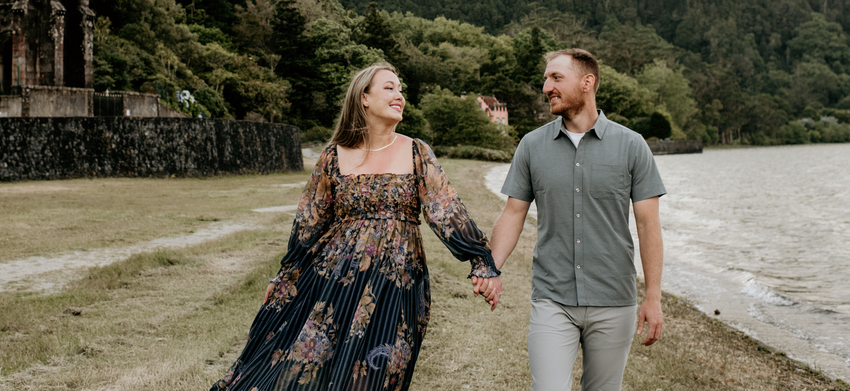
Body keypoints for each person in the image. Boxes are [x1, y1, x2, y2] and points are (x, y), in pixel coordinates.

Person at [211, 62, 501, 391]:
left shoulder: (416, 151)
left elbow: (445, 210)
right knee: (307, 373)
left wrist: (481, 260)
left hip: (396, 286)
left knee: (377, 376)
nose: (399, 96)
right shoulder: (333, 157)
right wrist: (287, 274)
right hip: (333, 284)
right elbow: (309, 223)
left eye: (401, 90)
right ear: (364, 98)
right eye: (389, 88)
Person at [474, 48, 666, 391]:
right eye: (546, 79)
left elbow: (648, 225)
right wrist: (492, 267)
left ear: (587, 82)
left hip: (614, 299)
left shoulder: (632, 146)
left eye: (556, 78)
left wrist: (653, 297)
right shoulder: (531, 146)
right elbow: (514, 213)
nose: (547, 87)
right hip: (552, 298)